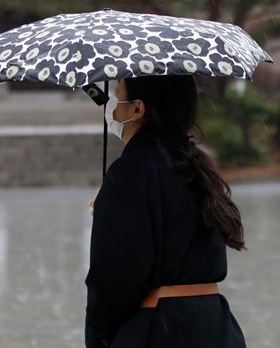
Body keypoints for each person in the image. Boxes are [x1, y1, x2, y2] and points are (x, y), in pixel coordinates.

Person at [85, 75, 246, 348]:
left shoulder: (131, 172)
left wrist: (99, 337)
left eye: (117, 93)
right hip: (215, 327)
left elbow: (115, 279)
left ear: (137, 108)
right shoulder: (199, 166)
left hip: (158, 331)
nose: (111, 103)